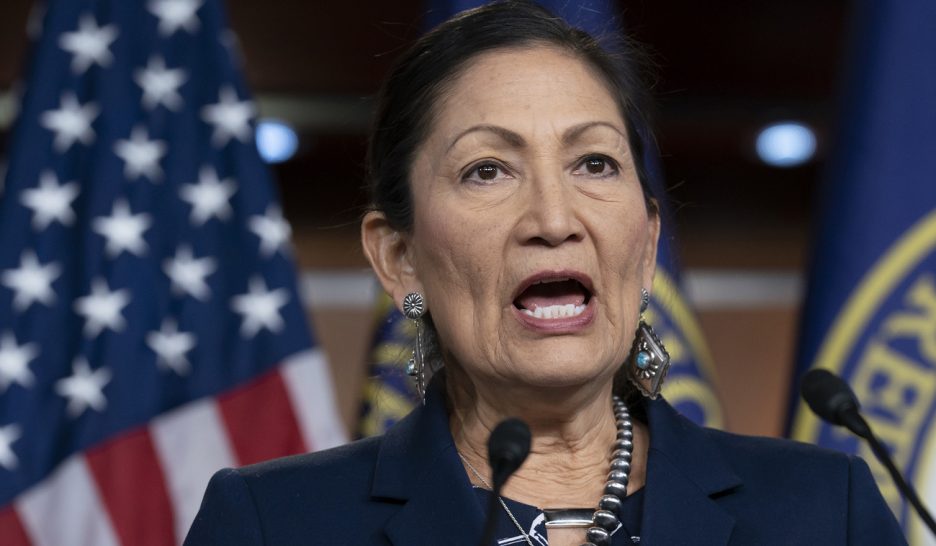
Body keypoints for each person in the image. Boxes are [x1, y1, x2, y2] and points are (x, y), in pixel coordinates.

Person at [184, 2, 907, 545]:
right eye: (487, 170)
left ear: (646, 245)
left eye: (594, 162)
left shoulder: (824, 511)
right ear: (399, 258)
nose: (554, 219)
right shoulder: (273, 524)